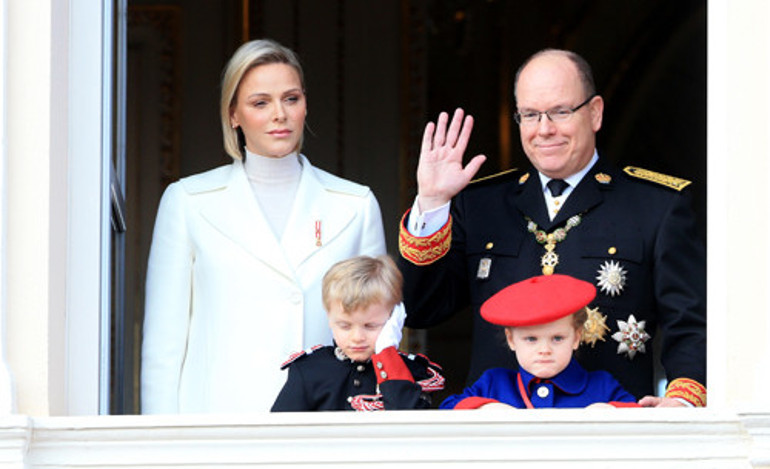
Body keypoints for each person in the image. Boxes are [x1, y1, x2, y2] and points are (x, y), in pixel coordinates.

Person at [397, 48, 706, 407]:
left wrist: (683, 401)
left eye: (561, 111)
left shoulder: (655, 205)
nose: (544, 129)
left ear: (595, 113)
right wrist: (432, 203)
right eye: (530, 115)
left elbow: (690, 321)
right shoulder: (481, 204)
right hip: (498, 431)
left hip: (611, 427)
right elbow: (421, 309)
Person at [141, 39, 386, 414]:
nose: (280, 114)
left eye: (291, 99)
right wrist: (161, 439)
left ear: (305, 105)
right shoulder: (188, 201)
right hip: (218, 420)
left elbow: (379, 332)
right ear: (233, 115)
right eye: (260, 103)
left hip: (325, 422)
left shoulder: (356, 205)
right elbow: (164, 344)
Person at [271, 255, 444, 411]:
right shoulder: (309, 370)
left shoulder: (412, 372)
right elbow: (279, 431)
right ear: (329, 318)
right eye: (345, 326)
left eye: (370, 326)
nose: (357, 337)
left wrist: (387, 354)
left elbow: (410, 426)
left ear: (394, 319)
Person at [441, 274, 638, 409]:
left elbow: (639, 420)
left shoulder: (602, 386)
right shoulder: (493, 383)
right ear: (511, 340)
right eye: (531, 339)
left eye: (557, 338)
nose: (544, 349)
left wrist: (608, 412)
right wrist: (484, 409)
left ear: (576, 337)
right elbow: (447, 411)